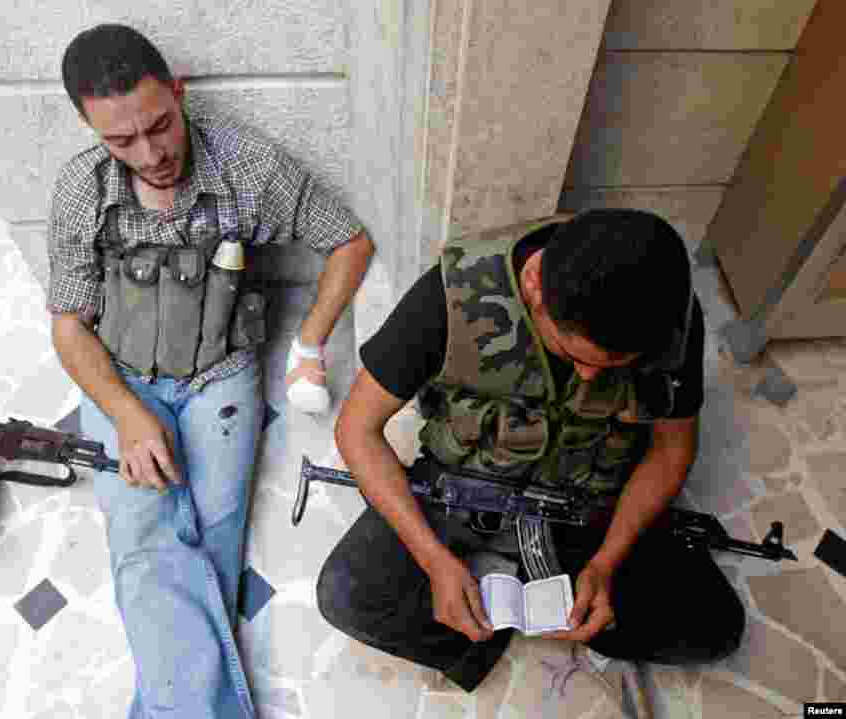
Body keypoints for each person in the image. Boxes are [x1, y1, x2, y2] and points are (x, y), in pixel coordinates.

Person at [46, 24, 373, 718]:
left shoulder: (245, 163)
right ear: (89, 128)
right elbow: (69, 327)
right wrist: (129, 416)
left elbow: (349, 240)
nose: (152, 153)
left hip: (219, 374)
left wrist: (310, 341)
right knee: (142, 542)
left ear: (179, 92)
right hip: (121, 375)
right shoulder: (81, 187)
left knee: (210, 538)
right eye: (121, 141)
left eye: (160, 125)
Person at [316, 209, 745, 715]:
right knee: (347, 596)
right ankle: (482, 633)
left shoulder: (666, 317)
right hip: (464, 483)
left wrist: (607, 562)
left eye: (610, 368)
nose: (588, 378)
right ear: (534, 282)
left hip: (584, 498)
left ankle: (569, 614)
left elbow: (672, 449)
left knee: (713, 628)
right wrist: (434, 561)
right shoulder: (453, 294)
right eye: (573, 355)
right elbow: (357, 429)